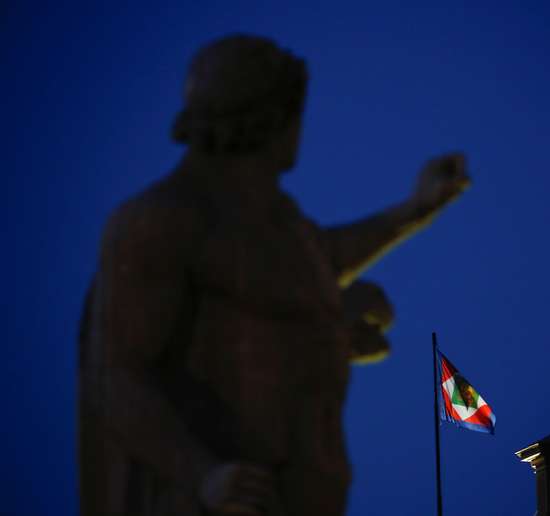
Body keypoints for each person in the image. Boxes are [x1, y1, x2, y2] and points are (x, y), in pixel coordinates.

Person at [79, 34, 470, 516]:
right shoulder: (159, 221)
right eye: (295, 113)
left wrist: (415, 209)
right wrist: (202, 474)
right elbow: (114, 376)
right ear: (267, 118)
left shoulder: (276, 221)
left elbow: (319, 256)